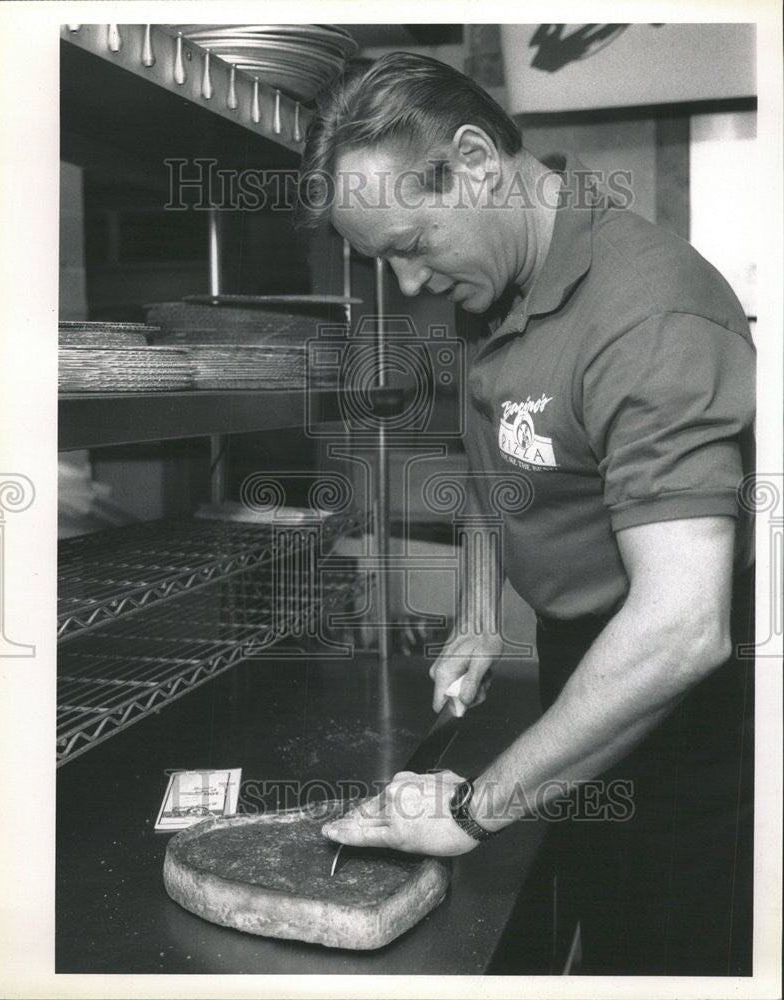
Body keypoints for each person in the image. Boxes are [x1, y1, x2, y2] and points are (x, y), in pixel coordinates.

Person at [295, 53, 755, 975]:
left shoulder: (649, 317)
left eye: (412, 245)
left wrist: (470, 812)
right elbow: (492, 458)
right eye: (381, 260)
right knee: (592, 906)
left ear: (475, 160)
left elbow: (682, 628)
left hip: (685, 692)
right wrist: (476, 606)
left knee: (661, 952)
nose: (410, 289)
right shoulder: (499, 284)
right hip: (578, 651)